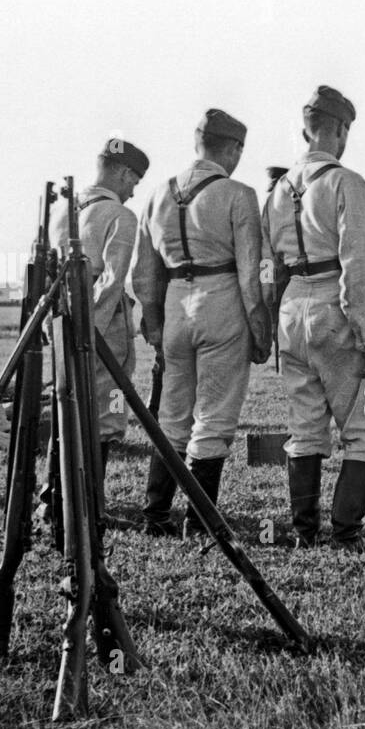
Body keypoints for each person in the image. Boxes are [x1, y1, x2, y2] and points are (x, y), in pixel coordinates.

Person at [132, 109, 269, 536]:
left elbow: (143, 273)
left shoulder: (156, 195)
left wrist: (154, 324)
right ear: (232, 148)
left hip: (175, 307)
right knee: (215, 415)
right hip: (222, 303)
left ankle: (156, 514)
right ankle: (201, 520)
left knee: (172, 415)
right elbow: (251, 272)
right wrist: (260, 329)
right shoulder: (239, 194)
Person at [261, 85, 365, 550]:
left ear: (304, 131)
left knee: (305, 427)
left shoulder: (276, 191)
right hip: (334, 307)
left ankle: (304, 530)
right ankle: (346, 532)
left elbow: (266, 268)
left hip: (291, 309)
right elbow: (357, 266)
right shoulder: (347, 183)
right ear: (340, 130)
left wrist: (272, 322)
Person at [47, 137, 149, 500]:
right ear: (122, 173)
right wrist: (91, 334)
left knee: (68, 404)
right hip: (101, 328)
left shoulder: (62, 211)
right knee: (106, 411)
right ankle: (90, 498)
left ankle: (58, 492)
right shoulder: (121, 216)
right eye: (133, 181)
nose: (133, 192)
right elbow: (112, 279)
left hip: (60, 321)